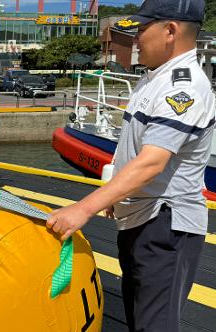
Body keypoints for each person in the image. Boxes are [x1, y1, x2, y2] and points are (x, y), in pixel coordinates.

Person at [46, 1, 214, 331]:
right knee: (139, 318)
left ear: (170, 31)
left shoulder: (184, 86)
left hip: (165, 225)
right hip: (141, 217)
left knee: (155, 324)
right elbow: (135, 151)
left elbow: (152, 162)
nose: (135, 39)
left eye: (141, 30)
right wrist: (116, 198)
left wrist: (85, 208)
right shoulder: (154, 79)